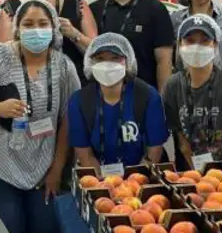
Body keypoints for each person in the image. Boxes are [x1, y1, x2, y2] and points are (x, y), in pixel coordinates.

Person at [0, 0, 80, 233]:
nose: (36, 30)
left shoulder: (64, 66)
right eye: (28, 24)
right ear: (17, 28)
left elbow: (68, 119)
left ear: (54, 28)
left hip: (42, 164)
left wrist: (56, 169)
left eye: (43, 24)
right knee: (10, 225)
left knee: (45, 227)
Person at [164, 14, 222, 172]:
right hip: (196, 168)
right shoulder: (173, 86)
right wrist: (200, 175)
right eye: (190, 41)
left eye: (205, 41)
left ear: (215, 45)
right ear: (179, 45)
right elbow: (183, 142)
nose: (197, 47)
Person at [68, 33, 168, 172]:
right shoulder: (79, 101)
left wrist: (134, 181)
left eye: (115, 58)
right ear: (90, 63)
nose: (107, 65)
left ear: (128, 62)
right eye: (100, 59)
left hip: (143, 175)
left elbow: (154, 149)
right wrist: (104, 182)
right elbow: (85, 154)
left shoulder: (148, 96)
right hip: (99, 177)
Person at [90, 0, 174, 90]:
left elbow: (164, 62)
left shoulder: (156, 9)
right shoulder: (95, 9)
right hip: (102, 93)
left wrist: (162, 99)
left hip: (144, 94)